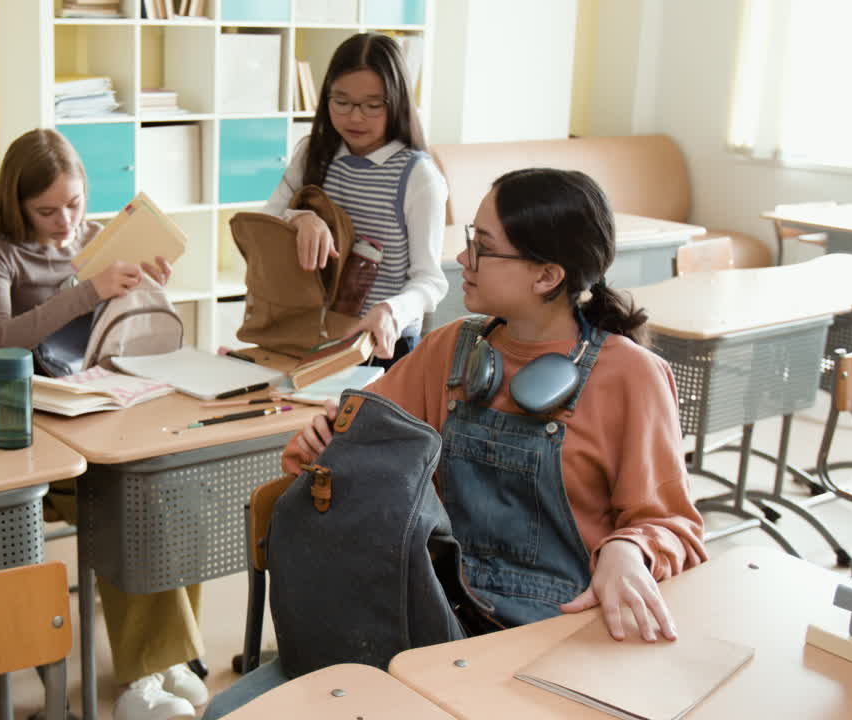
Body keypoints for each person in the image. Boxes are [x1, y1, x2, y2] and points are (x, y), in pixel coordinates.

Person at [204, 168, 708, 718]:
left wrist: (628, 550)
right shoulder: (451, 349)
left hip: (555, 640)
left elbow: (672, 524)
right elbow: (334, 467)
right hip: (432, 620)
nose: (463, 259)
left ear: (546, 276)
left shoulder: (631, 376)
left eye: (482, 247)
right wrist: (322, 443)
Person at [0, 128, 205, 720]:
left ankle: (167, 659)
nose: (64, 220)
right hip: (31, 435)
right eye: (45, 210)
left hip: (103, 416)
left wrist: (139, 292)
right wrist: (84, 292)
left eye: (73, 204)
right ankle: (143, 678)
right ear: (16, 203)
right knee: (126, 506)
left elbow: (117, 345)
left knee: (177, 489)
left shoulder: (102, 239)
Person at [263, 32, 448, 366]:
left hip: (382, 347)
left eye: (373, 105)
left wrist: (391, 310)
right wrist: (301, 217)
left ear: (397, 102)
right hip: (307, 335)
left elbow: (430, 281)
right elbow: (266, 225)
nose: (355, 117)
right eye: (342, 102)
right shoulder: (314, 153)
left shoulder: (418, 175)